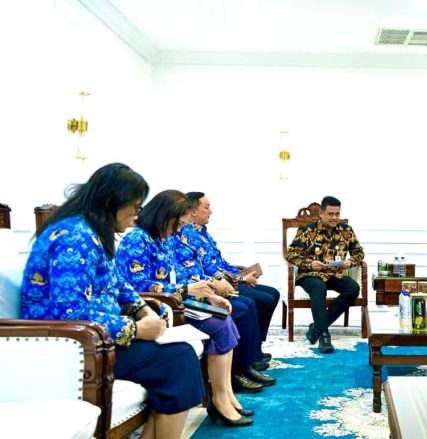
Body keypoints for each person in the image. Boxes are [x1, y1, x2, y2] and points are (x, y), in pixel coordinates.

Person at [20, 163, 204, 439]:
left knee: (178, 358)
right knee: (178, 360)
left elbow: (118, 284)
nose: (136, 215)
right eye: (134, 206)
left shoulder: (90, 231)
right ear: (112, 202)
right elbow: (69, 312)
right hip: (72, 346)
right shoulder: (75, 237)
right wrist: (134, 329)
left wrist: (142, 310)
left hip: (97, 336)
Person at [116, 190, 253, 427]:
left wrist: (208, 294)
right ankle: (219, 399)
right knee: (219, 325)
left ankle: (225, 395)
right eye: (178, 224)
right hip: (160, 308)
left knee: (225, 317)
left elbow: (179, 275)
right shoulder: (137, 240)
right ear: (164, 216)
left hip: (177, 301)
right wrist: (188, 290)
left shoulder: (162, 239)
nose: (178, 231)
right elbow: (136, 285)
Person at [172, 197, 276, 388]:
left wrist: (238, 275)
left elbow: (214, 264)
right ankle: (241, 368)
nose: (211, 211)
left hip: (208, 287)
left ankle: (249, 360)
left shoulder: (196, 234)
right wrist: (236, 280)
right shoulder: (181, 235)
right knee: (245, 307)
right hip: (189, 296)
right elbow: (195, 272)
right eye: (207, 207)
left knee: (263, 299)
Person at [284, 196, 364, 354]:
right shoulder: (307, 231)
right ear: (321, 213)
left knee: (353, 288)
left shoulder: (346, 231)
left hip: (334, 273)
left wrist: (350, 262)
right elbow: (291, 255)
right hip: (310, 275)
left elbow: (359, 253)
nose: (334, 218)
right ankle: (324, 335)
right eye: (330, 214)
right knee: (318, 286)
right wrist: (310, 263)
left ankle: (316, 328)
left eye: (337, 214)